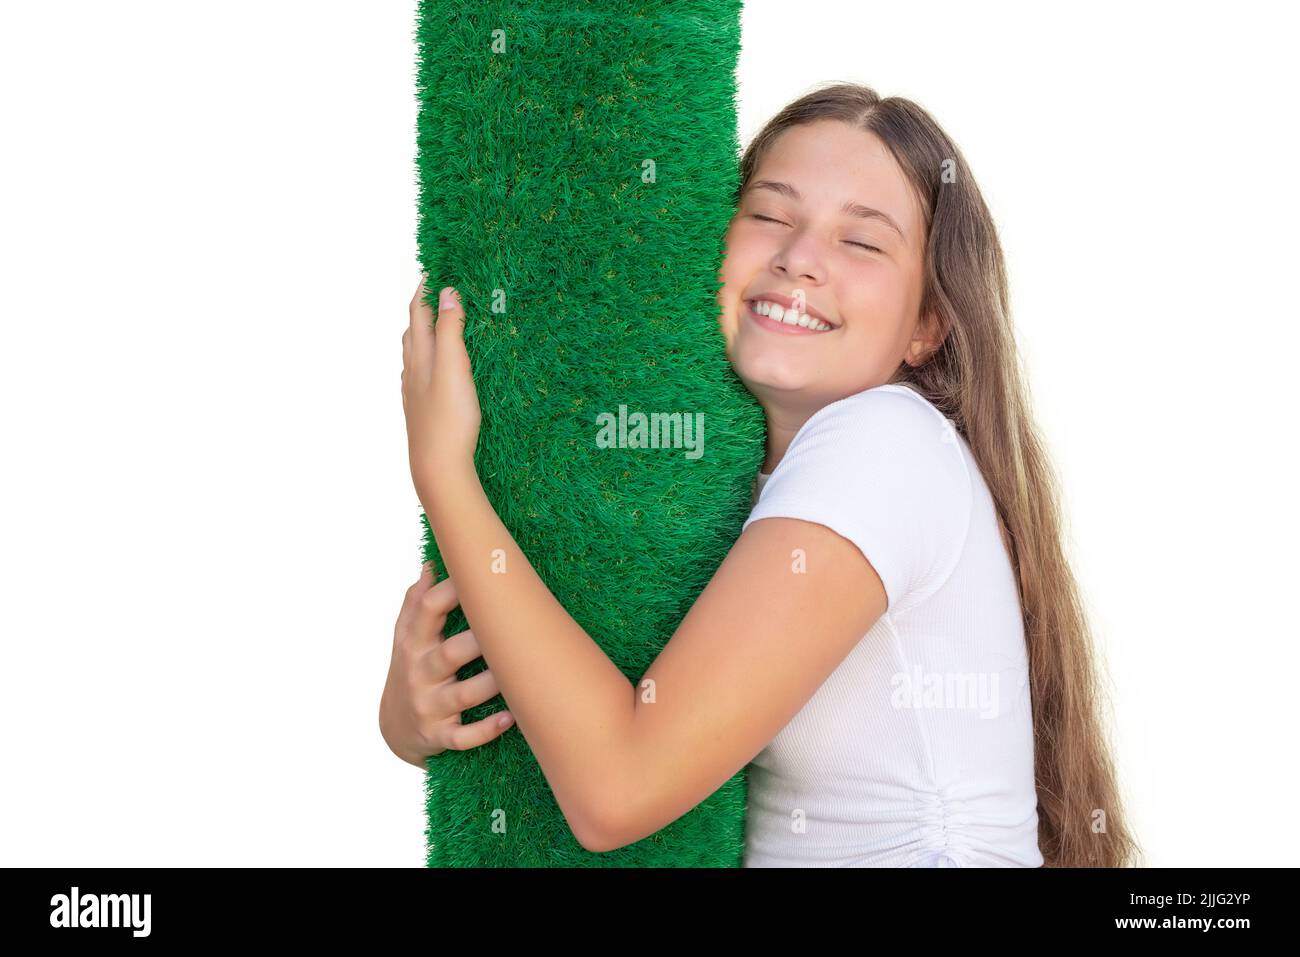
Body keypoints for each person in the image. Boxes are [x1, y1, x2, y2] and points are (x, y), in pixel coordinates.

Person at [383, 81, 1140, 867]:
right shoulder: (742, 490)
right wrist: (410, 716)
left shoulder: (885, 442)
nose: (800, 258)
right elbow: (583, 701)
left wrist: (445, 475)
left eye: (863, 242)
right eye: (772, 215)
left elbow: (617, 786)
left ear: (927, 325)